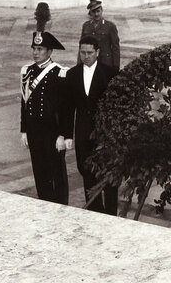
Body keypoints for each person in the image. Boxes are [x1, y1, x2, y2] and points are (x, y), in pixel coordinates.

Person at [63, 36, 119, 215]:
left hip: (105, 135)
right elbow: (68, 108)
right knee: (86, 172)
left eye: (89, 53)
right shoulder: (72, 74)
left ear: (97, 53)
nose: (85, 56)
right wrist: (67, 135)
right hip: (83, 133)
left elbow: (115, 106)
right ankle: (94, 213)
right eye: (82, 53)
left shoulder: (110, 73)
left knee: (108, 175)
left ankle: (110, 214)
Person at [20, 31, 69, 204]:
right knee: (40, 173)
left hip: (52, 133)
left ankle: (61, 209)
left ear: (49, 52)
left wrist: (63, 135)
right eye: (34, 48)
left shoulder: (60, 73)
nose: (35, 52)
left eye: (40, 49)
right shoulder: (27, 71)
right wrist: (24, 130)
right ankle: (44, 206)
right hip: (34, 132)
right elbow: (24, 103)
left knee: (57, 175)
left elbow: (65, 109)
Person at [81, 1, 120, 70]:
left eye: (98, 11)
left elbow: (115, 48)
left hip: (105, 63)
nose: (96, 14)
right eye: (93, 12)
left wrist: (116, 66)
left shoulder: (110, 26)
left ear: (102, 10)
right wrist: (80, 63)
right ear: (90, 13)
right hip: (90, 63)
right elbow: (81, 46)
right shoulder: (86, 26)